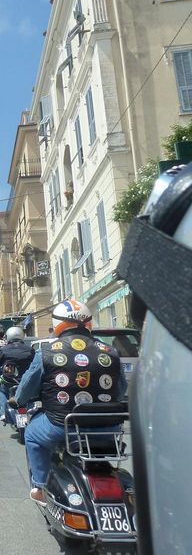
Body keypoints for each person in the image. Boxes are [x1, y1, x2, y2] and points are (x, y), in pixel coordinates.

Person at [115, 163, 192, 552]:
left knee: (37, 438)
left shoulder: (46, 356)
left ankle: (39, 483)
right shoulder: (106, 352)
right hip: (102, 425)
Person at [10, 299, 127, 503]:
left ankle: (40, 486)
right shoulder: (110, 352)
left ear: (57, 324)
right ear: (88, 323)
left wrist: (18, 399)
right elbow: (121, 389)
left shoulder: (46, 351)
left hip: (61, 425)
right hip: (108, 428)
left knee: (31, 435)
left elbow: (25, 390)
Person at [0, 326, 35, 423]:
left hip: (9, 381)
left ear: (8, 336)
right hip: (26, 381)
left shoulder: (4, 350)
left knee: (1, 391)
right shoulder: (29, 349)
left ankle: (2, 413)